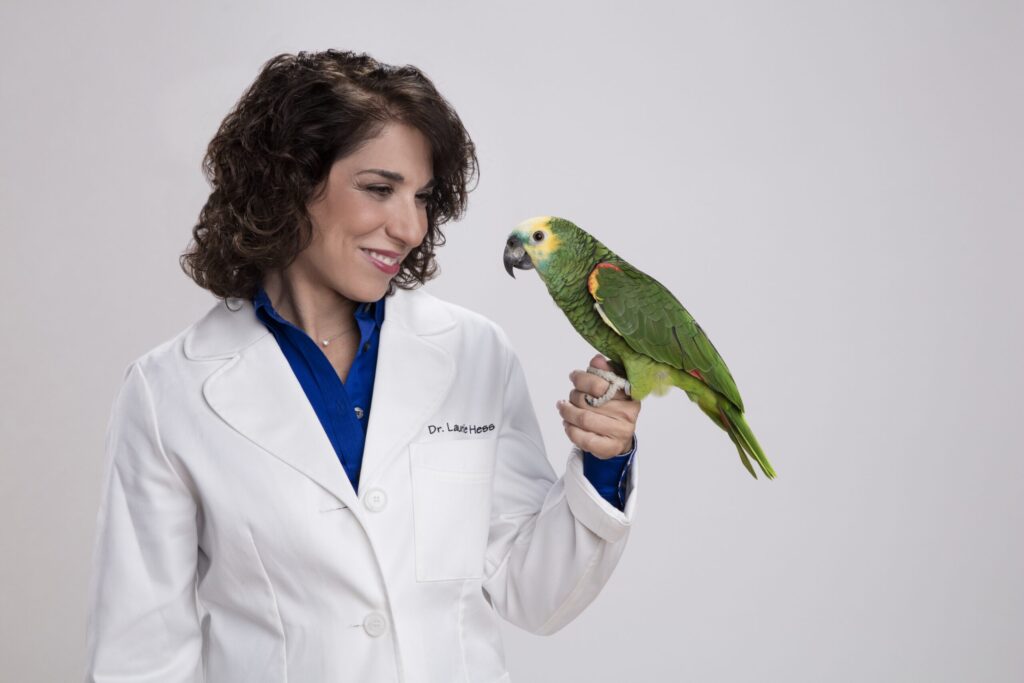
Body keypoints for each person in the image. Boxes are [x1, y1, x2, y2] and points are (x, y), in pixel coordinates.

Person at [85, 49, 641, 683]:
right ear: (290, 181)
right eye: (379, 189)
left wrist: (602, 463)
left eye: (422, 197)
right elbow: (140, 656)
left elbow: (534, 593)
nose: (410, 227)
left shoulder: (475, 352)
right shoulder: (168, 392)